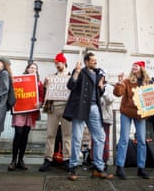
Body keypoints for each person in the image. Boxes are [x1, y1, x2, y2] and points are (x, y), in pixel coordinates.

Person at [63, 52, 113, 181]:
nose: (95, 62)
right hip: (80, 107)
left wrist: (101, 86)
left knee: (100, 137)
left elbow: (99, 92)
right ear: (86, 62)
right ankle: (73, 167)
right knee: (77, 137)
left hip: (94, 108)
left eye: (96, 60)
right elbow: (70, 86)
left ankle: (98, 167)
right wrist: (76, 72)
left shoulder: (98, 74)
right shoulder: (80, 71)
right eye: (92, 60)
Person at [114, 61, 151, 180]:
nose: (134, 67)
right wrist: (119, 83)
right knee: (124, 139)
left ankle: (141, 167)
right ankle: (120, 166)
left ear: (142, 68)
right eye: (133, 66)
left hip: (140, 114)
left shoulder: (147, 83)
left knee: (141, 141)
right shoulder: (127, 81)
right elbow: (118, 93)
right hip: (126, 112)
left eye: (136, 66)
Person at [8, 62, 44, 171]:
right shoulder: (19, 79)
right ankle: (13, 160)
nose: (33, 69)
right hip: (20, 111)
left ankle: (21, 160)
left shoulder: (38, 83)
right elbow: (14, 93)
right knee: (18, 133)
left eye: (35, 68)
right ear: (27, 69)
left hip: (31, 113)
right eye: (31, 67)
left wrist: (40, 103)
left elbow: (42, 96)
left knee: (25, 135)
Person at [39, 52, 72, 172]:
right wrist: (46, 85)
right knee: (50, 134)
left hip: (66, 108)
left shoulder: (70, 76)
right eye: (56, 63)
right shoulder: (52, 77)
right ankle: (48, 158)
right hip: (53, 108)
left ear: (64, 62)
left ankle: (67, 159)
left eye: (59, 62)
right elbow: (46, 91)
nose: (57, 65)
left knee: (67, 135)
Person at [89, 69, 114, 169]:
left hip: (105, 116)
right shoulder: (92, 87)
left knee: (105, 139)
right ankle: (94, 160)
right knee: (94, 139)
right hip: (95, 116)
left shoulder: (108, 87)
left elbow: (110, 100)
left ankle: (104, 160)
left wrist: (102, 89)